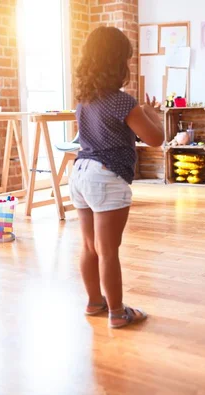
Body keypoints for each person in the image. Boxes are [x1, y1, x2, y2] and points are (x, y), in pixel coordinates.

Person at [69, 26, 164, 329]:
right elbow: (156, 139)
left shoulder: (83, 99)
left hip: (80, 172)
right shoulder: (123, 102)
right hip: (106, 177)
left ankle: (94, 301)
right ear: (118, 62)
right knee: (108, 250)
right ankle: (118, 313)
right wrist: (152, 113)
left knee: (89, 246)